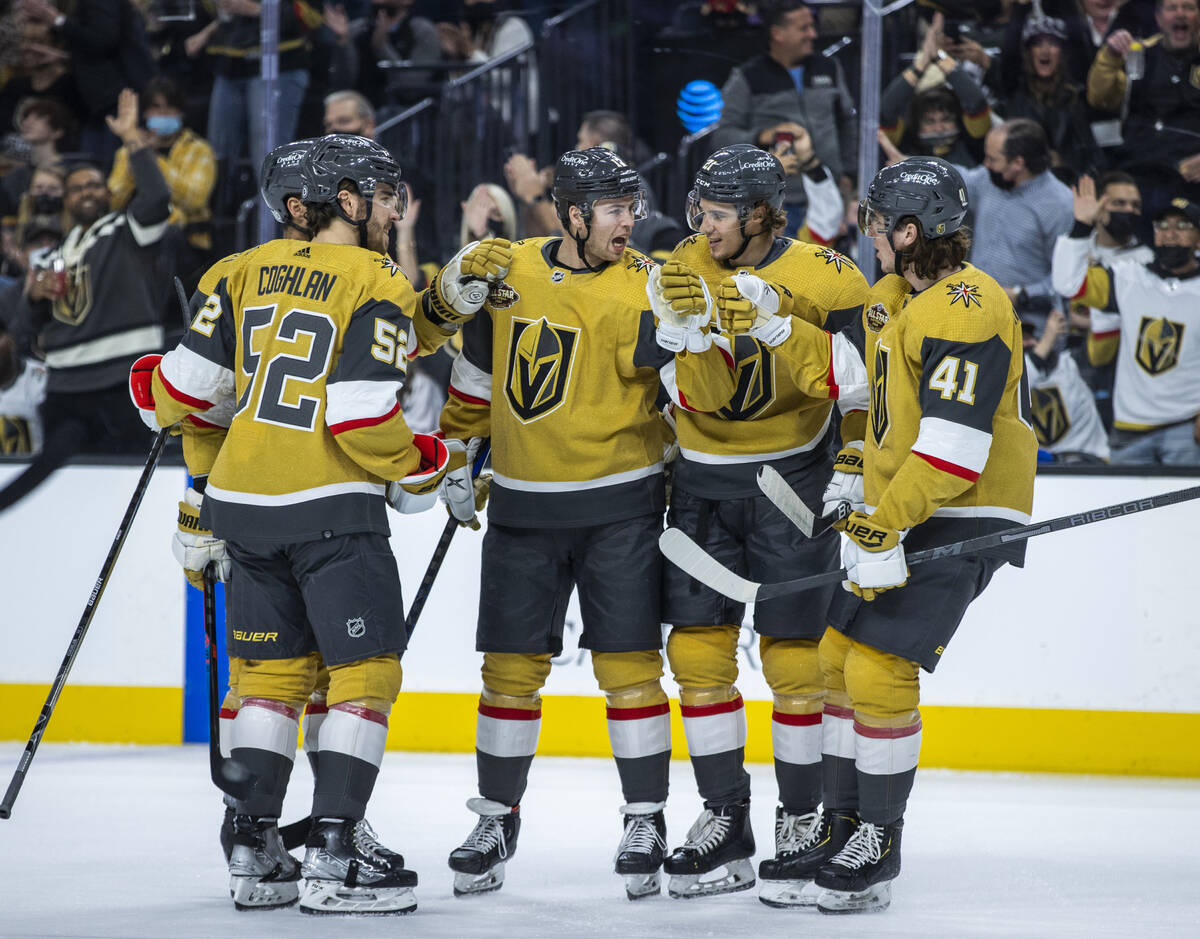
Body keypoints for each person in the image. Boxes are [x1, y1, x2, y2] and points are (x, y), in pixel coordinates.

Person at [130, 133, 511, 914]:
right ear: (342, 199)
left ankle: (254, 848)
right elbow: (362, 417)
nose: (390, 207)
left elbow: (180, 394)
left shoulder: (235, 271)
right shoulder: (373, 275)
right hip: (331, 510)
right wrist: (430, 461)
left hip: (243, 509)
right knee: (364, 677)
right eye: (378, 193)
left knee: (269, 680)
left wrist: (147, 393)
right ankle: (334, 855)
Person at [438, 148, 704, 901]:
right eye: (615, 209)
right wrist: (458, 456)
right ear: (574, 214)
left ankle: (646, 816)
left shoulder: (649, 283)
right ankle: (496, 815)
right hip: (523, 507)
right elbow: (476, 376)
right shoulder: (509, 271)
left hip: (620, 506)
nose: (631, 220)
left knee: (628, 671)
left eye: (633, 206)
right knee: (508, 674)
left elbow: (679, 391)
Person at [815, 156, 1036, 914]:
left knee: (876, 667)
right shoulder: (898, 298)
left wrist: (883, 521)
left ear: (909, 231)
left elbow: (953, 449)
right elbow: (886, 418)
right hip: (908, 508)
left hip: (963, 509)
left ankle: (878, 837)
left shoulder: (967, 306)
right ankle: (841, 823)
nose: (871, 236)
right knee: (834, 657)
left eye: (880, 224)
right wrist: (855, 473)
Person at [651, 143, 869, 905]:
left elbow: (863, 383)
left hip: (793, 486)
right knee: (698, 654)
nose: (700, 226)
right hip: (703, 486)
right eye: (698, 211)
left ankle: (802, 818)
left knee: (794, 660)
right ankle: (724, 817)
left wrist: (857, 465)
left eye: (715, 213)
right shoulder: (680, 262)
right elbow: (665, 379)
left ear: (756, 214)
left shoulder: (829, 275)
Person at [0, 89, 176, 513]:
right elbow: (24, 334)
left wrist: (132, 139)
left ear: (108, 193)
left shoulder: (127, 232)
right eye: (77, 188)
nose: (87, 192)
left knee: (129, 491)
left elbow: (155, 198)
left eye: (95, 185)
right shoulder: (54, 255)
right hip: (65, 388)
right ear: (67, 200)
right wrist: (34, 298)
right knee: (63, 494)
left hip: (121, 383)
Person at [1052, 179, 1200, 465]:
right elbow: (1067, 284)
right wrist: (1082, 226)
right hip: (1128, 430)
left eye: (1182, 227)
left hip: (1185, 429)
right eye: (1162, 226)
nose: (1170, 234)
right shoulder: (1128, 277)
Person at [713, 0, 857, 189]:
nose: (813, 35)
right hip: (779, 198)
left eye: (812, 26)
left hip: (831, 190)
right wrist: (761, 136)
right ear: (777, 34)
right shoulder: (748, 77)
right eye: (804, 28)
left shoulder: (829, 67)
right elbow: (722, 138)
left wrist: (848, 172)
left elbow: (848, 122)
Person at [1087, 0, 1200, 209]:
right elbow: (1099, 98)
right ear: (1158, 18)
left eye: (1189, 7)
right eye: (1172, 8)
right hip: (1140, 172)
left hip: (1192, 177)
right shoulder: (1138, 54)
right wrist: (1109, 57)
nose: (1180, 13)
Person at [959, 118, 1075, 310]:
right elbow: (961, 180)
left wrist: (1022, 295)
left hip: (1030, 326)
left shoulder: (1060, 206)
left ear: (1018, 163)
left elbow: (1070, 279)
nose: (985, 164)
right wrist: (914, 167)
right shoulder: (989, 179)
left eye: (993, 159)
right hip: (977, 314)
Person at [107, 76, 216, 258]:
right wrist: (136, 157)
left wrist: (149, 158)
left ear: (181, 112)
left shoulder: (199, 149)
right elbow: (113, 202)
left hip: (186, 243)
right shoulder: (128, 151)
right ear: (145, 114)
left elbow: (195, 200)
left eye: (170, 107)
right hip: (135, 238)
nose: (163, 113)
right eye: (156, 108)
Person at [1023, 308, 1110, 461]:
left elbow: (1111, 326)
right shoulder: (1006, 377)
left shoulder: (1071, 362)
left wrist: (1077, 320)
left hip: (1089, 463)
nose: (1028, 343)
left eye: (1030, 337)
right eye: (1020, 340)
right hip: (1041, 468)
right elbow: (1019, 381)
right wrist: (1047, 339)